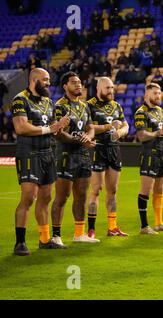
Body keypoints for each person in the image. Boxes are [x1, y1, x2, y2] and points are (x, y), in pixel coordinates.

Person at [11, 68, 70, 255]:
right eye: (45, 80)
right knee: (28, 197)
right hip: (29, 152)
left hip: (47, 152)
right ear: (34, 79)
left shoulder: (48, 102)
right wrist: (49, 129)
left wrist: (61, 128)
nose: (48, 83)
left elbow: (53, 128)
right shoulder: (20, 99)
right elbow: (21, 127)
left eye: (49, 80)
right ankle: (20, 242)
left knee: (46, 197)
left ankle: (45, 239)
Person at [50, 72, 98, 245]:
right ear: (65, 86)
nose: (79, 85)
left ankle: (79, 234)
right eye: (74, 83)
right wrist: (80, 140)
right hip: (66, 155)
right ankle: (56, 236)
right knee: (62, 197)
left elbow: (91, 127)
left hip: (83, 155)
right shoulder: (59, 106)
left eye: (79, 82)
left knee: (81, 197)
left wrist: (88, 137)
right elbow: (58, 134)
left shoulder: (85, 106)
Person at [87, 77, 129, 238]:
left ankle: (112, 227)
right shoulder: (89, 105)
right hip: (97, 148)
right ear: (99, 89)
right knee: (96, 190)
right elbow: (88, 128)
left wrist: (120, 132)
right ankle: (91, 230)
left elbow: (126, 125)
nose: (111, 91)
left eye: (112, 88)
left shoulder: (116, 106)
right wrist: (109, 127)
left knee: (113, 190)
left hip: (114, 149)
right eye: (107, 88)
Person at [134, 83, 163, 235]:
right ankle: (144, 226)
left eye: (159, 93)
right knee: (146, 190)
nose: (159, 96)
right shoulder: (141, 112)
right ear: (147, 96)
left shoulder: (159, 110)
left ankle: (158, 223)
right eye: (155, 93)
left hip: (161, 152)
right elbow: (141, 136)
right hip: (149, 153)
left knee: (159, 189)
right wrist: (159, 133)